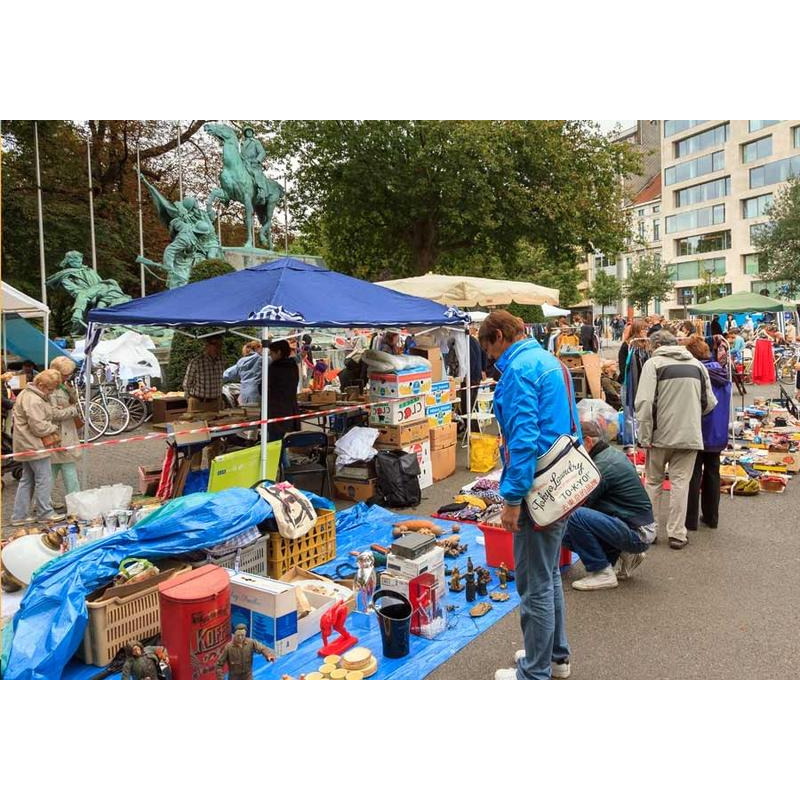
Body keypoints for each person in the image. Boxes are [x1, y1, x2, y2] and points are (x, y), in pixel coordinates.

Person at [478, 311, 578, 681]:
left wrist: (512, 499)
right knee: (547, 575)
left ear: (499, 336)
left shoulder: (519, 371)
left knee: (535, 584)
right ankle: (553, 656)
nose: (491, 359)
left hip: (537, 486)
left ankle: (534, 673)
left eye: (489, 350)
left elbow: (522, 440)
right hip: (560, 480)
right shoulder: (550, 361)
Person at [634, 329, 716, 550]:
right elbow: (709, 402)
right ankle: (677, 534)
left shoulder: (653, 364)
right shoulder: (697, 365)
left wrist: (644, 436)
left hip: (659, 436)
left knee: (653, 483)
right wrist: (692, 417)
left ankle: (650, 531)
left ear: (655, 346)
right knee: (681, 483)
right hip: (689, 434)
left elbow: (644, 403)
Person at [562, 420, 654, 590]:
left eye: (574, 446)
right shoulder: (609, 454)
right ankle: (623, 553)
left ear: (588, 441)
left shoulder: (601, 467)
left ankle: (602, 572)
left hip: (637, 532)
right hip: (636, 525)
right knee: (572, 524)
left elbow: (581, 504)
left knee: (573, 518)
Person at [10, 369, 77, 525]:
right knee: (43, 479)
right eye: (50, 389)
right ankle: (44, 513)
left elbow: (38, 418)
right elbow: (39, 427)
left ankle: (19, 516)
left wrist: (51, 413)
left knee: (27, 480)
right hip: (34, 444)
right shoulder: (34, 399)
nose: (52, 392)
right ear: (41, 385)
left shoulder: (29, 394)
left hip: (25, 443)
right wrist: (53, 428)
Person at [683, 337, 731, 532]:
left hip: (699, 429)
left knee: (693, 473)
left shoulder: (697, 373)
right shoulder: (723, 373)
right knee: (713, 472)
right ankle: (712, 517)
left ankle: (690, 520)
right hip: (718, 431)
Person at [49, 356, 83, 505]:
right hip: (60, 434)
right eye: (65, 374)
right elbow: (54, 414)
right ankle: (75, 501)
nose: (68, 377)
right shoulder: (52, 390)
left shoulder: (62, 386)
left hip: (63, 433)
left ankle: (44, 502)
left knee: (53, 470)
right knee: (68, 469)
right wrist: (72, 410)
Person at [266, 340, 301, 441]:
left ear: (279, 352)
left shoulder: (274, 368)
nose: (270, 355)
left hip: (275, 410)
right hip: (289, 408)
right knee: (280, 441)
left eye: (272, 353)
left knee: (274, 442)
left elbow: (265, 387)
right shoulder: (293, 366)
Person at [183, 335, 225, 414]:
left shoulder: (222, 361)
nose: (218, 347)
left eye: (220, 344)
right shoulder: (196, 362)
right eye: (215, 344)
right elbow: (187, 384)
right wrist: (190, 399)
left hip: (215, 403)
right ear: (207, 345)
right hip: (198, 403)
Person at [223, 340, 263, 407]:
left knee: (246, 411)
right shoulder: (262, 359)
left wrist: (216, 379)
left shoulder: (241, 361)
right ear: (257, 348)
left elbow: (228, 374)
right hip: (257, 393)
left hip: (244, 394)